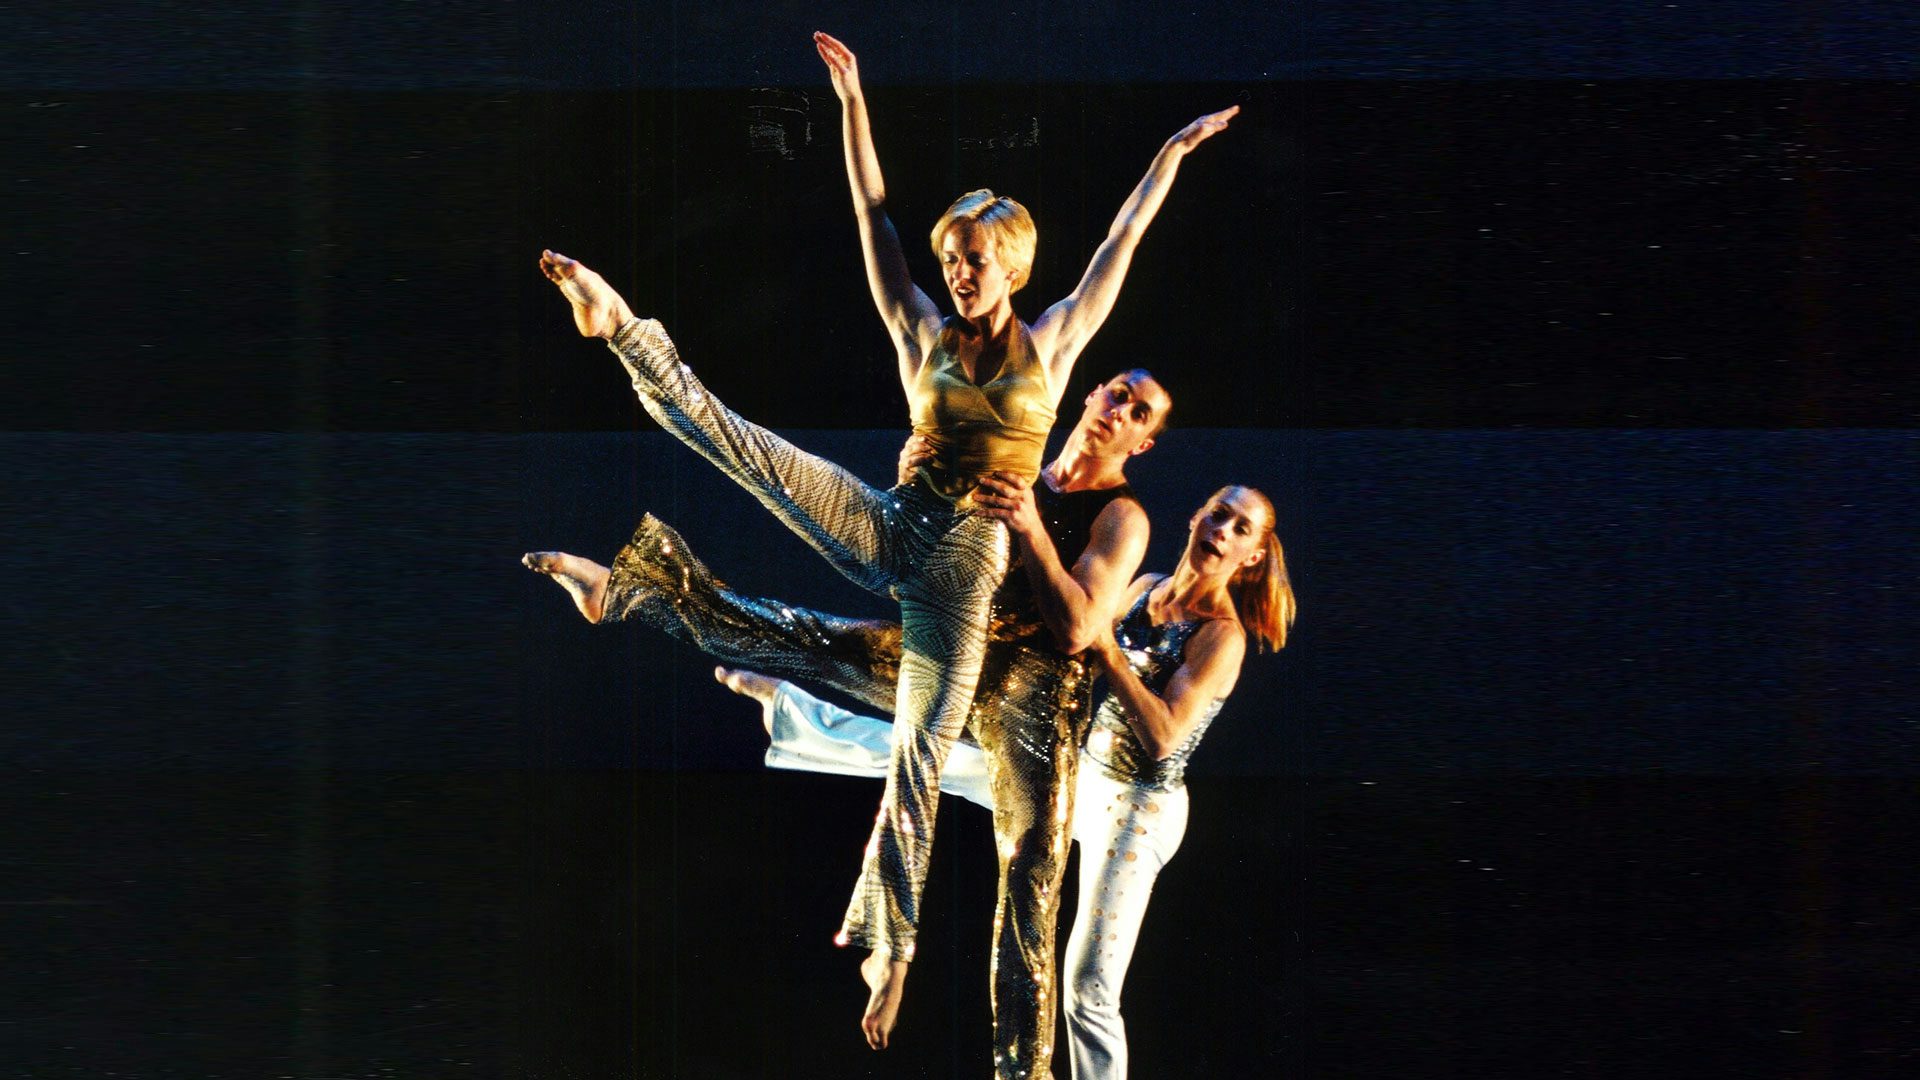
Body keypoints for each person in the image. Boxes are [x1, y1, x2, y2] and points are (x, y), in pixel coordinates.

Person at [530, 28, 1234, 1066]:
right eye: (953, 259)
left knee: (912, 752)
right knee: (749, 450)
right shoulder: (916, 330)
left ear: (1015, 266)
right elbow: (872, 212)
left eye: (980, 262)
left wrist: (1168, 159)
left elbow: (1118, 245)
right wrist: (853, 100)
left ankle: (890, 950)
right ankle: (626, 330)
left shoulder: (1056, 344)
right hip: (892, 521)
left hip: (961, 575)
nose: (962, 275)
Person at [526, 364, 1168, 1077]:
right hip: (961, 655)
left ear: (1142, 441)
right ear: (1090, 394)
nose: (1121, 410)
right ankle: (623, 591)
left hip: (1038, 701)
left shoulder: (1122, 516)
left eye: (1140, 412)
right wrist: (919, 478)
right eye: (1118, 393)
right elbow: (932, 536)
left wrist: (1028, 530)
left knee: (1030, 881)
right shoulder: (1012, 462)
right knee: (809, 639)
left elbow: (1079, 628)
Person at [710, 486, 1294, 1080]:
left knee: (1087, 988)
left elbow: (1164, 736)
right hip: (1083, 771)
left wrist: (1106, 652)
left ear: (1251, 555)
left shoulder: (1223, 635)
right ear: (1196, 515)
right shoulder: (1144, 588)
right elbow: (1070, 634)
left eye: (1241, 527)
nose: (1223, 528)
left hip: (1139, 813)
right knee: (933, 752)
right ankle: (790, 709)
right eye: (1218, 512)